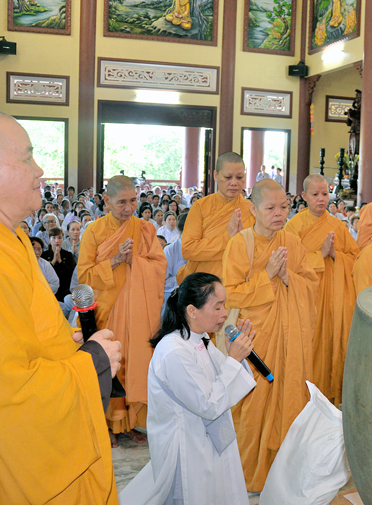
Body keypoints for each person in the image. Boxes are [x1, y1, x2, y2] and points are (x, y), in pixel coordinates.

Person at [0, 110, 121, 503]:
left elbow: (22, 336)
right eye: (26, 157)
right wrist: (91, 364)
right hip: (20, 477)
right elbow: (5, 398)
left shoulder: (5, 239)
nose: (39, 169)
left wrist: (64, 342)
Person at [119, 273, 257, 505]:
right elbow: (208, 404)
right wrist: (233, 360)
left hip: (208, 438)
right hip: (186, 445)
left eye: (224, 306)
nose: (225, 314)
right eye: (218, 307)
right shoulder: (174, 351)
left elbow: (222, 379)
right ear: (192, 310)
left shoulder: (200, 339)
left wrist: (234, 354)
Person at [222, 179, 319, 492]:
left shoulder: (292, 241)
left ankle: (281, 473)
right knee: (252, 405)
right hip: (254, 338)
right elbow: (230, 294)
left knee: (288, 403)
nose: (279, 213)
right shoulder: (240, 244)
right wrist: (267, 276)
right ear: (253, 209)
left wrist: (288, 276)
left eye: (284, 207)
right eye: (270, 208)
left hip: (290, 340)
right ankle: (248, 473)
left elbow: (311, 284)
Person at [78, 175, 167, 448]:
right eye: (121, 202)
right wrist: (115, 260)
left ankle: (129, 424)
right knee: (110, 365)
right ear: (106, 201)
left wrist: (135, 261)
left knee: (133, 364)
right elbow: (84, 275)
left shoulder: (146, 229)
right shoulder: (94, 231)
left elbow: (159, 267)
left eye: (133, 201)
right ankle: (108, 424)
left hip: (139, 311)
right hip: (108, 311)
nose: (129, 208)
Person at [284, 174, 359, 407]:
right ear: (304, 196)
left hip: (333, 301)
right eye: (315, 194)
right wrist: (320, 255)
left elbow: (355, 260)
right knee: (307, 348)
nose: (321, 199)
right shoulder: (294, 226)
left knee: (330, 348)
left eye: (325, 194)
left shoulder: (337, 226)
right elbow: (288, 264)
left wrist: (336, 255)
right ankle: (303, 400)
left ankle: (327, 403)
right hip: (305, 298)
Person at [178, 152, 255, 284]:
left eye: (239, 177)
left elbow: (258, 251)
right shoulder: (200, 207)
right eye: (228, 177)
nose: (234, 183)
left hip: (238, 284)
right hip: (203, 285)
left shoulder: (251, 210)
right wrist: (227, 238)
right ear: (216, 176)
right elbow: (188, 249)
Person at [163, 213, 188, 318]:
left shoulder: (202, 249)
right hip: (173, 302)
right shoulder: (170, 250)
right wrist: (185, 279)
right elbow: (163, 282)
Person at [43, 227, 77, 304]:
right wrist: (54, 261)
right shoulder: (44, 255)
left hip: (65, 289)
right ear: (49, 240)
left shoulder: (68, 255)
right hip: (49, 288)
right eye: (54, 238)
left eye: (59, 238)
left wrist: (60, 261)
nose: (57, 240)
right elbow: (42, 274)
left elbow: (72, 274)